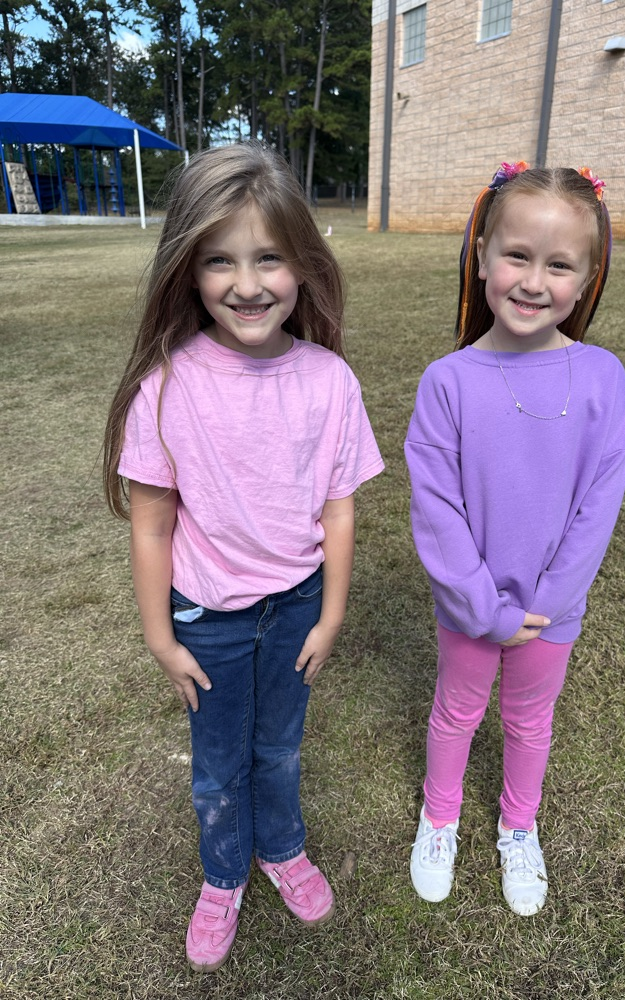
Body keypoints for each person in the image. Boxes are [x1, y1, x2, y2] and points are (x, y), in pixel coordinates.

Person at [103, 142, 384, 972]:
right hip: (209, 620)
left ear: (303, 263)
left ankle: (282, 850)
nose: (248, 283)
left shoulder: (331, 380)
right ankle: (225, 873)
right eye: (219, 260)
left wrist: (331, 613)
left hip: (297, 607)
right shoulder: (167, 384)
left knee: (280, 749)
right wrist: (161, 638)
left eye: (269, 257)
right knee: (219, 762)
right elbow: (151, 525)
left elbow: (339, 506)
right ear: (187, 272)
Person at [404, 162, 625, 916]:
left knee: (531, 719)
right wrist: (483, 606)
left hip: (550, 613)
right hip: (470, 610)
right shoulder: (448, 381)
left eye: (559, 263)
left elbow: (598, 506)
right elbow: (437, 508)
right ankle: (440, 818)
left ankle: (517, 826)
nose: (534, 281)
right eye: (517, 255)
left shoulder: (602, 378)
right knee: (456, 711)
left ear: (588, 275)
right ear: (480, 253)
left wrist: (545, 603)